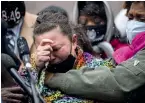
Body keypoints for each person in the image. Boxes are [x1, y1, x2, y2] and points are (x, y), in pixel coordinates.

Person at [23, 12, 114, 103]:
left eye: (55, 49)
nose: (50, 57)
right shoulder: (31, 70)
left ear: (73, 41)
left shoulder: (100, 68)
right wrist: (36, 69)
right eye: (44, 50)